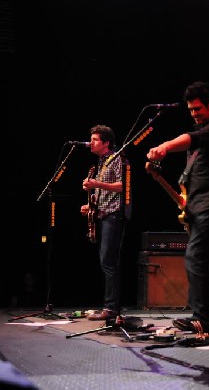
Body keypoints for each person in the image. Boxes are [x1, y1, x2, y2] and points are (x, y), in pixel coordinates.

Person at [146, 81, 209, 343]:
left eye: (198, 108)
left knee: (195, 258)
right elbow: (189, 182)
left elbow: (189, 138)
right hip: (198, 208)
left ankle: (203, 319)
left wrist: (164, 146)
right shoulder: (198, 148)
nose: (194, 113)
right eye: (191, 110)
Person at [80, 124, 128, 321]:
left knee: (109, 263)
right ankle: (109, 307)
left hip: (114, 216)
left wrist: (96, 184)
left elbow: (123, 186)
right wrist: (90, 207)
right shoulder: (100, 163)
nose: (90, 143)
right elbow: (103, 193)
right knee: (105, 262)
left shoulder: (117, 159)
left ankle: (111, 309)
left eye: (95, 139)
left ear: (106, 143)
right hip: (103, 215)